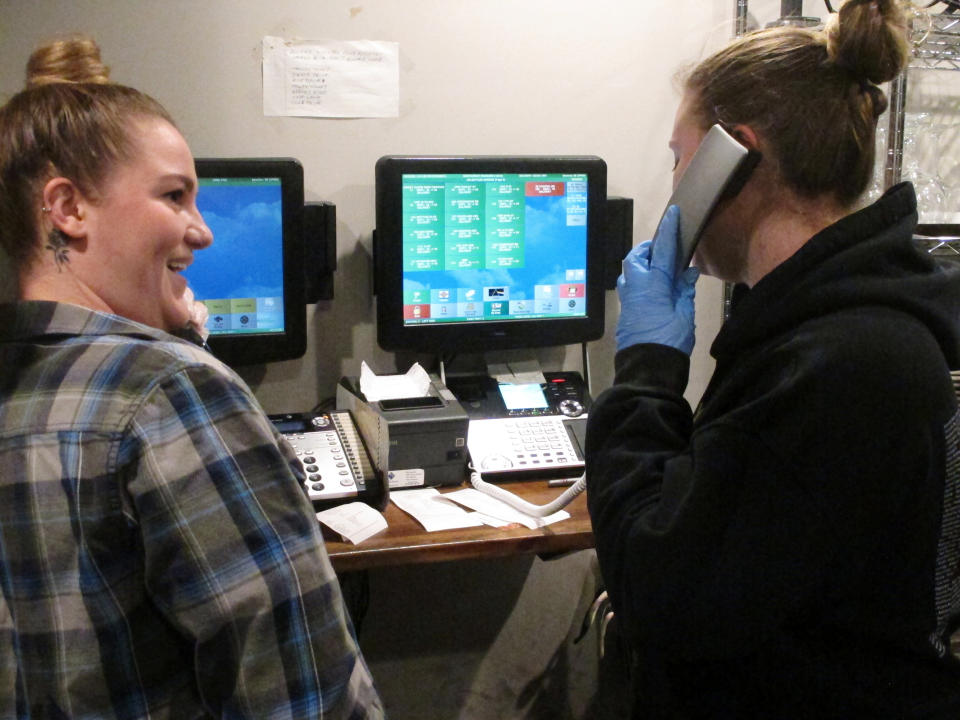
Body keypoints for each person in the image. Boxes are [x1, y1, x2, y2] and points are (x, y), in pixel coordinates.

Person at [586, 0, 960, 717]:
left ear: (733, 159)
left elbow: (659, 598)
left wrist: (646, 377)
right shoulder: (843, 322)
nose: (673, 192)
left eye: (680, 160)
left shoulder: (835, 367)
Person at [0, 36, 384, 719]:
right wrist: (190, 363)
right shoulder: (168, 394)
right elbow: (302, 693)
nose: (202, 232)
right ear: (67, 208)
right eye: (175, 197)